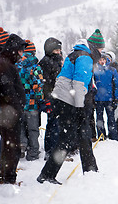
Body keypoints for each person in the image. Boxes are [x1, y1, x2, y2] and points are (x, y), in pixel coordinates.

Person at [37, 37, 102, 185]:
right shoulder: (85, 57)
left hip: (65, 101)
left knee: (84, 135)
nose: (101, 53)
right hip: (70, 103)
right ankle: (47, 174)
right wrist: (79, 108)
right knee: (65, 140)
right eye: (100, 49)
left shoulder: (75, 54)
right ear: (94, 48)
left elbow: (63, 78)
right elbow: (79, 84)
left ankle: (90, 170)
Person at [0, 33, 27, 184]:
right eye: (20, 50)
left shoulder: (7, 62)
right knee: (11, 148)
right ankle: (8, 180)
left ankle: (8, 177)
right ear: (14, 49)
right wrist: (17, 108)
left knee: (11, 147)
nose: (21, 54)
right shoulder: (4, 64)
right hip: (9, 113)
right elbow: (8, 90)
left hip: (10, 112)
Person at [17, 40, 44, 161]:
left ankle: (22, 145)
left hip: (19, 102)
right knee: (33, 129)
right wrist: (40, 99)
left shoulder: (17, 66)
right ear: (33, 52)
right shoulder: (35, 67)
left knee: (21, 126)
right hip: (32, 104)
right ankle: (33, 152)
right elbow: (38, 85)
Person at [39, 37, 63, 160]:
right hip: (51, 97)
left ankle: (55, 151)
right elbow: (46, 83)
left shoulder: (57, 60)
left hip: (59, 96)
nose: (59, 52)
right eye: (56, 50)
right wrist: (48, 99)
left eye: (59, 50)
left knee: (57, 125)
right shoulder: (45, 62)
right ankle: (50, 151)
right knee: (52, 125)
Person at [94, 52, 118, 141]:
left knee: (111, 118)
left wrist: (116, 98)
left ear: (107, 60)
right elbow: (92, 84)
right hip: (98, 99)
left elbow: (117, 84)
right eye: (100, 60)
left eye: (103, 59)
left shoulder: (112, 70)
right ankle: (101, 136)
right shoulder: (95, 70)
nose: (102, 61)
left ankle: (113, 136)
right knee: (99, 119)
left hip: (109, 98)